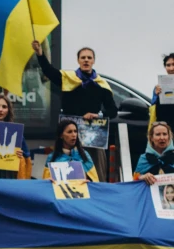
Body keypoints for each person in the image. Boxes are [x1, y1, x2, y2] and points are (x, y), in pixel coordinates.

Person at [31, 40, 118, 181]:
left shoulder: (102, 84)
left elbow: (113, 110)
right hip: (70, 134)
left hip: (93, 136)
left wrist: (98, 115)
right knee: (65, 172)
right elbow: (49, 72)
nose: (86, 60)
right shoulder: (68, 78)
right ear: (78, 60)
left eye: (89, 57)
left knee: (96, 173)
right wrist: (40, 54)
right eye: (83, 57)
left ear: (94, 61)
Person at [148, 53, 174, 130]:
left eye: (173, 64)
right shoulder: (159, 87)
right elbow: (153, 110)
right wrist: (156, 95)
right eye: (168, 65)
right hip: (165, 130)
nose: (171, 68)